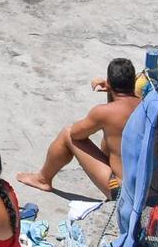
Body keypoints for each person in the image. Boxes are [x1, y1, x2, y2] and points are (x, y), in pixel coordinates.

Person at [16, 56, 140, 197]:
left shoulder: (104, 112)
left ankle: (42, 179)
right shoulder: (144, 105)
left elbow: (76, 134)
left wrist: (110, 90)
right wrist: (112, 91)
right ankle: (42, 179)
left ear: (109, 82)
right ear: (133, 82)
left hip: (121, 191)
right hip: (144, 188)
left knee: (67, 133)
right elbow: (122, 105)